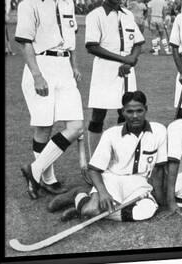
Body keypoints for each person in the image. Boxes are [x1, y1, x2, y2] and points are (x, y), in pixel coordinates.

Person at [15, 0, 84, 199]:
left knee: (75, 126)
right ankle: (48, 179)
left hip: (64, 68)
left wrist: (74, 65)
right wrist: (37, 75)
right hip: (41, 66)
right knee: (43, 127)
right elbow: (25, 43)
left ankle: (33, 170)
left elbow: (72, 38)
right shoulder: (29, 3)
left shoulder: (68, 1)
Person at [59, 91, 166, 222]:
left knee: (145, 212)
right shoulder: (111, 134)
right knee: (91, 210)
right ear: (122, 112)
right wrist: (103, 193)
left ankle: (83, 207)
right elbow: (94, 169)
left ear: (146, 109)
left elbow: (159, 168)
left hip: (140, 183)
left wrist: (161, 200)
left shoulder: (159, 130)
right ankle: (79, 195)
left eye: (139, 111)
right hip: (112, 179)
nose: (135, 116)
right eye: (130, 112)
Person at [84, 0, 145, 165]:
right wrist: (122, 59)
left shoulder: (127, 15)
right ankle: (95, 159)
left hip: (127, 70)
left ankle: (122, 156)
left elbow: (138, 42)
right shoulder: (95, 15)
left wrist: (131, 60)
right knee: (98, 114)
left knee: (126, 111)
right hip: (105, 69)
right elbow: (92, 46)